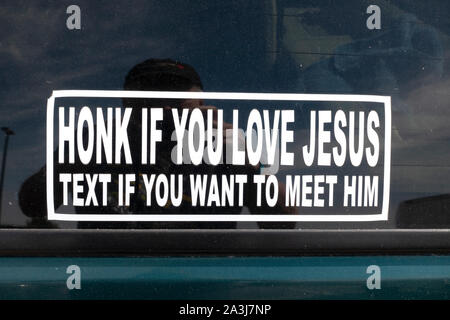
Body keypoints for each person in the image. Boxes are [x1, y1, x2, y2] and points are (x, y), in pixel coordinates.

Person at [19, 58, 294, 229]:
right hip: (107, 282)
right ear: (127, 104)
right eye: (151, 96)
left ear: (202, 102)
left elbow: (283, 222)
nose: (164, 107)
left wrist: (252, 165)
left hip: (203, 289)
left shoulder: (224, 149)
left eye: (177, 96)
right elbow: (32, 206)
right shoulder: (97, 143)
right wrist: (74, 156)